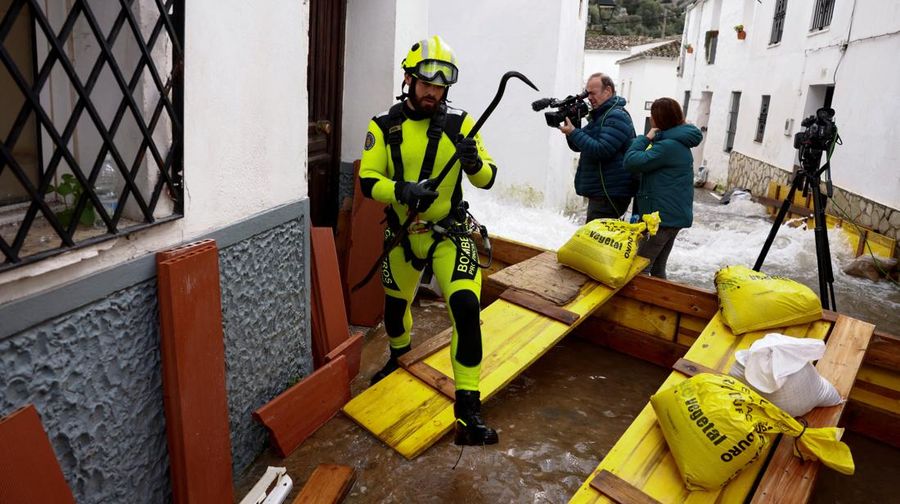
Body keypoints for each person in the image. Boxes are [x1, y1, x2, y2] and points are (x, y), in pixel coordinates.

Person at [358, 36, 499, 446]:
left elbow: (488, 177)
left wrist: (473, 163)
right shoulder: (382, 127)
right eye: (425, 84)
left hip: (450, 234)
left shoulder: (463, 125)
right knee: (395, 306)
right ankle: (399, 358)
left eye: (439, 87)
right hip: (402, 234)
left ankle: (469, 410)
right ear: (409, 79)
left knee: (467, 310)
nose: (432, 92)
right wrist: (402, 191)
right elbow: (369, 180)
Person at [623, 97, 703, 279]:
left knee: (639, 268)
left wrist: (645, 138)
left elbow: (631, 161)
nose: (651, 119)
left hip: (661, 219)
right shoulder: (676, 141)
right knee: (658, 270)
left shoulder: (668, 146)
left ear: (658, 119)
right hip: (670, 216)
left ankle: (639, 305)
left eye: (652, 115)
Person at [558, 73, 637, 222]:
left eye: (592, 93)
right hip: (603, 193)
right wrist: (573, 125)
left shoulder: (615, 116)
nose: (589, 98)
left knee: (595, 241)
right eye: (587, 94)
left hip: (609, 194)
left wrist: (574, 132)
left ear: (607, 91)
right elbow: (578, 145)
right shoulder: (601, 116)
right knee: (597, 240)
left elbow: (602, 150)